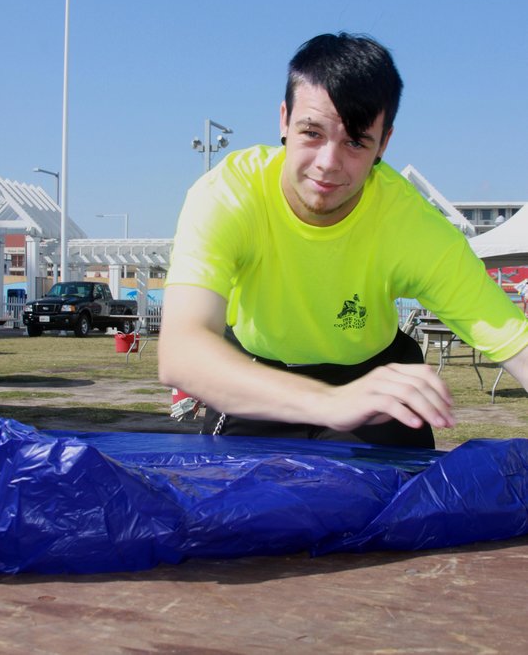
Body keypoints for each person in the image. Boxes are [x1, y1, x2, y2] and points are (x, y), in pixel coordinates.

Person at [158, 32, 528, 447]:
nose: (328, 164)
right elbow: (181, 351)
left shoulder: (412, 225)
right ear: (284, 119)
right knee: (240, 510)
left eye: (355, 141)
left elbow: (516, 342)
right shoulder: (228, 196)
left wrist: (345, 399)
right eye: (312, 133)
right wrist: (329, 401)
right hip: (255, 375)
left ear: (383, 143)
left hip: (376, 381)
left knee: (391, 510)